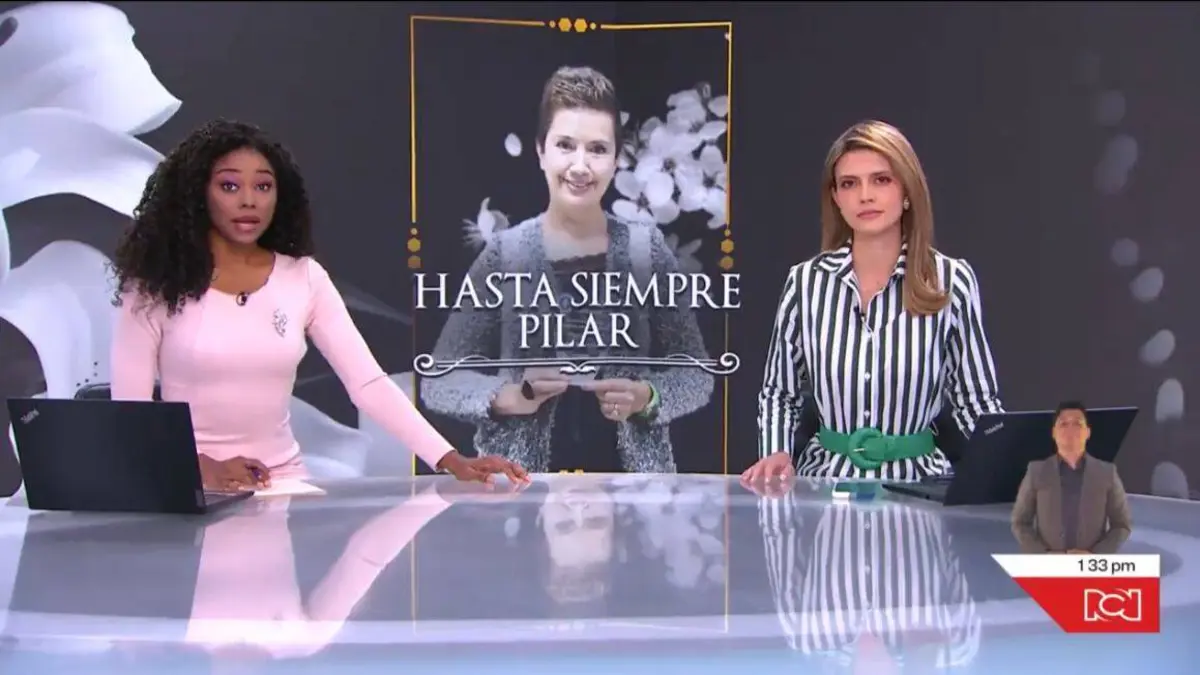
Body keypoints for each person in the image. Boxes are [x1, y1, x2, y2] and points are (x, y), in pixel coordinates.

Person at [109, 119, 526, 490]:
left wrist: (449, 459)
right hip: (185, 486)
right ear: (197, 193)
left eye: (263, 186)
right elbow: (132, 418)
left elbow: (368, 384)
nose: (249, 200)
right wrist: (201, 468)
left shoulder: (303, 277)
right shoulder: (153, 285)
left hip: (280, 487)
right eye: (230, 186)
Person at [419, 66, 713, 473]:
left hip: (635, 494)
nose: (580, 166)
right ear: (541, 151)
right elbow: (438, 380)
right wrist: (511, 396)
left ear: (616, 158)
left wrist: (647, 397)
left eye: (597, 149)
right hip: (521, 494)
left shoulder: (646, 250)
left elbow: (697, 375)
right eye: (565, 145)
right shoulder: (505, 253)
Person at [743, 120, 1003, 483]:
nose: (865, 195)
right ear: (836, 198)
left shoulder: (951, 280)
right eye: (849, 184)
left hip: (918, 486)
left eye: (881, 180)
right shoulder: (805, 282)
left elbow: (975, 401)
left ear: (907, 191)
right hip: (825, 485)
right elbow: (779, 392)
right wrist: (776, 451)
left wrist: (1006, 471)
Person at [749, 478, 981, 671]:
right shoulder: (952, 653)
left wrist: (774, 476)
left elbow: (780, 535)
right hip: (922, 483)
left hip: (829, 476)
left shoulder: (807, 637)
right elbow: (964, 553)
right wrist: (923, 659)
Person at [1011, 401, 1132, 554]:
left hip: (1090, 565)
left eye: (1077, 424)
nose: (1070, 429)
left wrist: (1095, 555)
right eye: (1063, 424)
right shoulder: (1036, 471)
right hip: (1049, 565)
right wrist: (1044, 556)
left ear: (1088, 432)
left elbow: (1121, 525)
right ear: (1053, 432)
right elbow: (1020, 523)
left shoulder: (1107, 472)